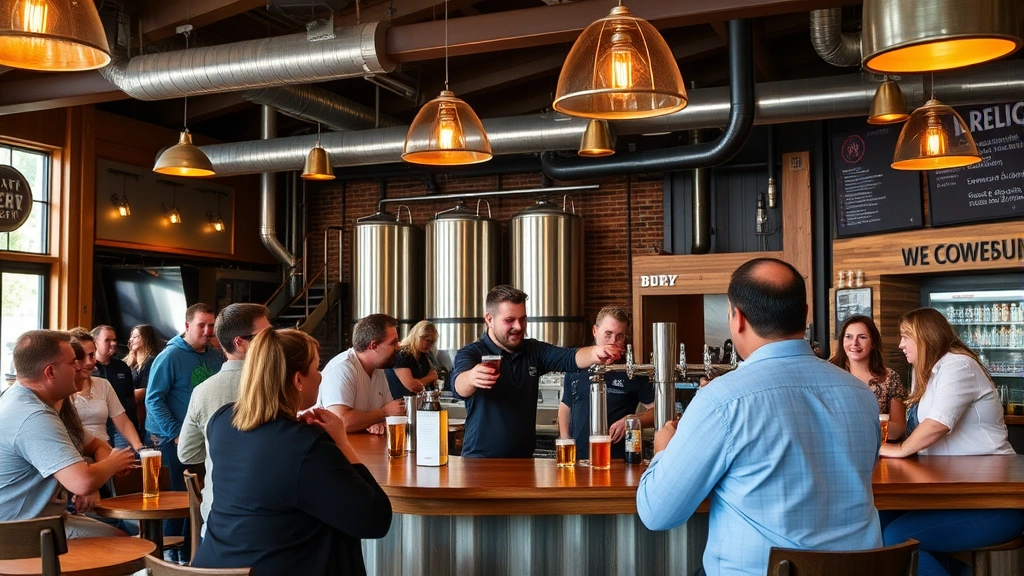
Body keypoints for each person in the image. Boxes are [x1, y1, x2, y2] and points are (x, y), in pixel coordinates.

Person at [636, 258, 882, 576]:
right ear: (805, 315)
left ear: (737, 319)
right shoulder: (862, 395)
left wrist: (663, 451)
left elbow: (658, 513)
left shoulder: (722, 400)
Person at [191, 329, 392, 574]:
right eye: (317, 368)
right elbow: (375, 519)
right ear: (298, 380)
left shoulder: (221, 422)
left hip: (215, 564)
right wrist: (342, 442)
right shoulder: (307, 446)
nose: (320, 377)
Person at [879, 307, 1022, 576]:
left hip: (994, 501)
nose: (900, 345)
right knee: (878, 520)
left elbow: (937, 425)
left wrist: (900, 450)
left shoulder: (958, 364)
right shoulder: (932, 372)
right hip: (952, 494)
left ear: (925, 337)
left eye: (905, 336)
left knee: (897, 537)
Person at [451, 285, 621, 458]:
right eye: (509, 320)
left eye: (523, 319)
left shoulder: (533, 350)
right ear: (489, 319)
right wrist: (471, 378)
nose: (518, 326)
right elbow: (459, 386)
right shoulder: (473, 353)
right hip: (479, 462)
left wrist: (595, 352)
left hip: (523, 463)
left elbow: (570, 357)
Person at [0, 330, 135, 538]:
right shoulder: (34, 416)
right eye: (72, 362)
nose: (79, 367)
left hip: (43, 522)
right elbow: (82, 482)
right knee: (124, 544)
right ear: (50, 372)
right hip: (20, 533)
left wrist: (100, 466)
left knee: (121, 536)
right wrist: (114, 462)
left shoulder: (27, 400)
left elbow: (94, 445)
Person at [178, 303, 271, 532]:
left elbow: (187, 453)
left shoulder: (202, 391)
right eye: (265, 336)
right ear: (240, 342)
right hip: (270, 514)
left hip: (217, 515)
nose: (272, 342)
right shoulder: (276, 383)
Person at [145, 302, 223, 559]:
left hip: (202, 438)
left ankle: (190, 553)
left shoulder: (214, 355)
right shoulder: (169, 356)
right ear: (188, 326)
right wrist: (176, 433)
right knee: (174, 499)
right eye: (202, 325)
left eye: (211, 325)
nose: (208, 331)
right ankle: (167, 559)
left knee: (196, 497)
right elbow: (153, 399)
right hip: (169, 439)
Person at [558, 307, 654, 460]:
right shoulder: (576, 367)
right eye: (608, 334)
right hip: (579, 459)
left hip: (618, 461)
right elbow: (565, 406)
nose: (613, 342)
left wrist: (631, 421)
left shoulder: (632, 372)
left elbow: (656, 411)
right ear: (595, 331)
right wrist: (565, 439)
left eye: (619, 336)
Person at [317, 313, 405, 434]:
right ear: (373, 345)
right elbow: (341, 421)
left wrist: (382, 422)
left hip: (363, 447)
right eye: (393, 343)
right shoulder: (342, 369)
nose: (398, 347)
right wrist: (383, 412)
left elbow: (393, 412)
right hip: (333, 448)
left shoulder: (378, 369)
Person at [829, 314, 907, 440]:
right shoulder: (829, 374)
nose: (854, 343)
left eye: (862, 337)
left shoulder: (889, 378)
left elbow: (898, 429)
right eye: (848, 337)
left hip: (877, 451)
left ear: (873, 343)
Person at [68, 329, 144, 452]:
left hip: (103, 452)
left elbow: (123, 422)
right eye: (80, 357)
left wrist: (140, 449)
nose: (89, 362)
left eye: (92, 355)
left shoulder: (103, 384)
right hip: (75, 456)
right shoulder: (60, 391)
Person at [91, 325, 139, 446]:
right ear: (95, 342)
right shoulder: (88, 369)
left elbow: (131, 397)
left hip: (120, 424)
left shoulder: (122, 367)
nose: (113, 343)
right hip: (97, 424)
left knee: (127, 459)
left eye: (114, 340)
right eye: (107, 340)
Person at [384, 320, 439, 399]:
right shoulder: (402, 354)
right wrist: (429, 378)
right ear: (416, 335)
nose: (428, 344)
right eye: (426, 339)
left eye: (431, 341)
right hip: (398, 402)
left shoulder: (424, 355)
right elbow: (412, 386)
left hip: (415, 402)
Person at [125, 324, 159, 431]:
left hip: (145, 413)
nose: (131, 340)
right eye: (131, 337)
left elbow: (148, 390)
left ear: (146, 338)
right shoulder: (130, 363)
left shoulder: (152, 361)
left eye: (136, 337)